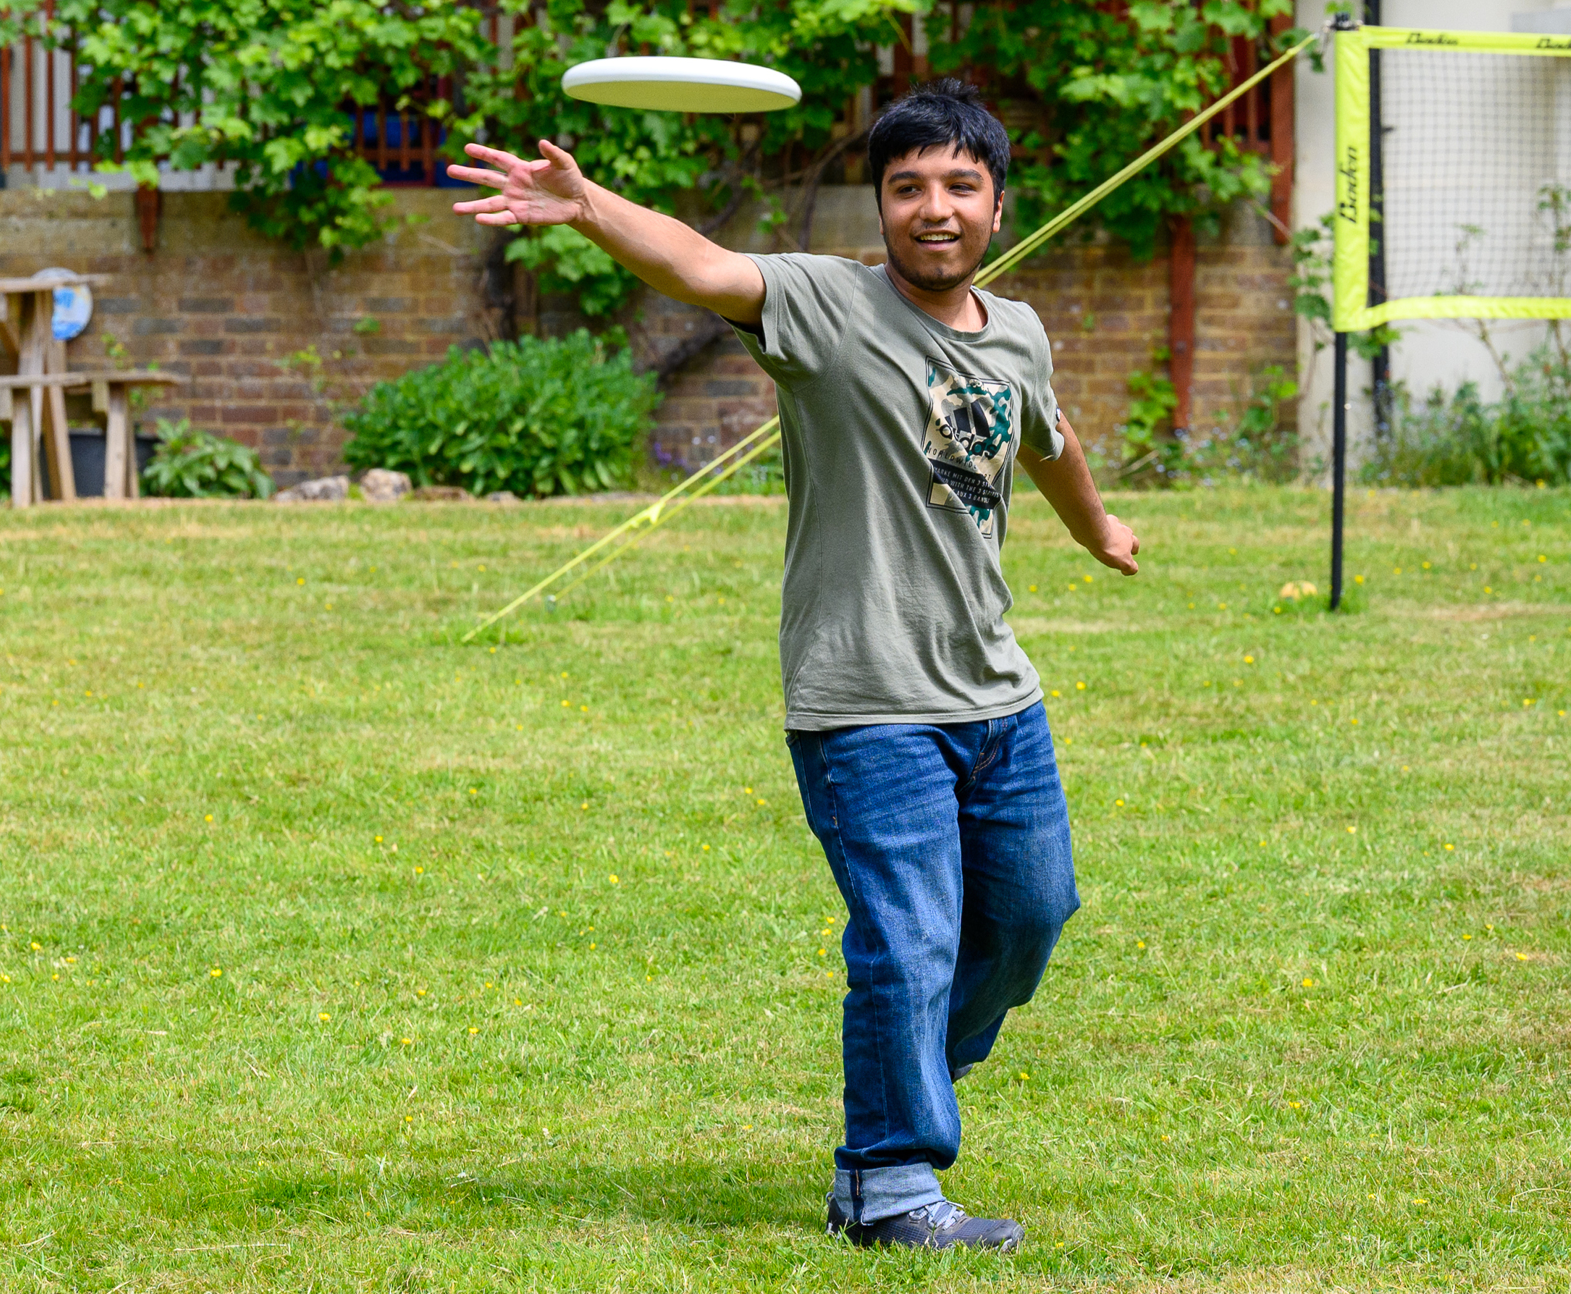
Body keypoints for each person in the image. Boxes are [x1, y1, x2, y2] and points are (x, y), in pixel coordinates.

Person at [448, 81, 1139, 1254]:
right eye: (906, 186)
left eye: (958, 186)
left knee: (1029, 917)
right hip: (865, 703)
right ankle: (887, 1183)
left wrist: (1098, 529)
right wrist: (590, 204)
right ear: (878, 204)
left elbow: (1046, 435)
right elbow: (703, 266)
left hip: (997, 697)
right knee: (908, 940)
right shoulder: (828, 306)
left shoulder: (1017, 329)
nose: (933, 208)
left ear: (995, 203)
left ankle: (910, 1062)